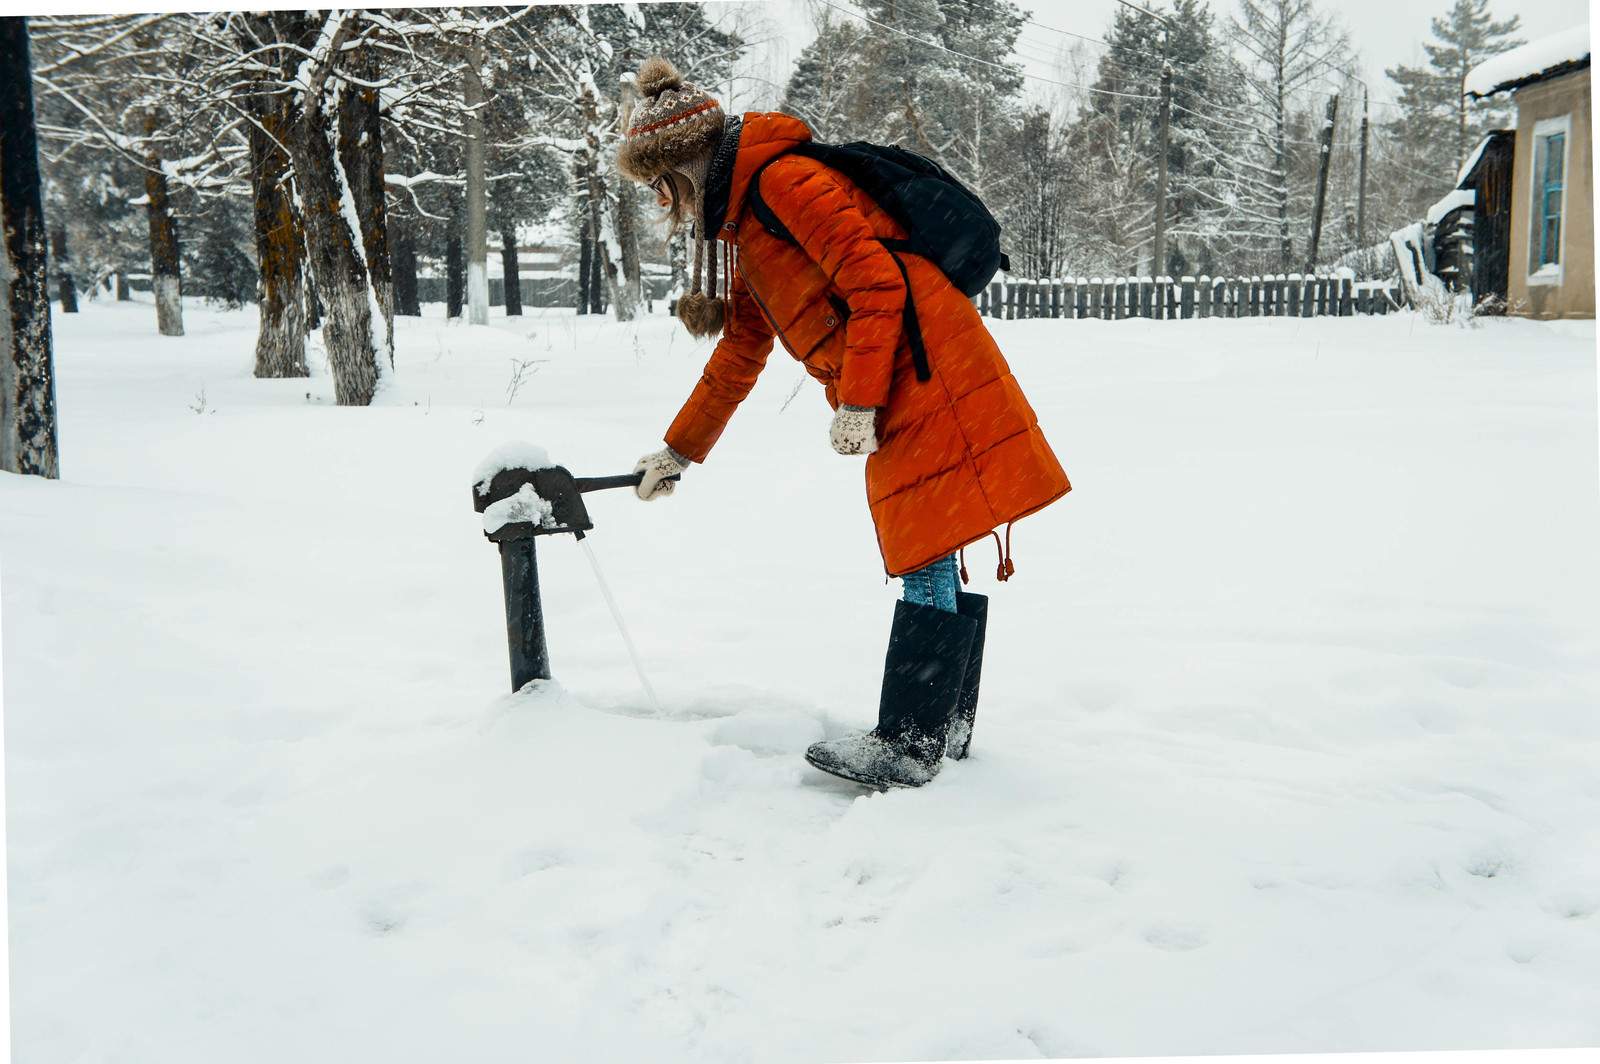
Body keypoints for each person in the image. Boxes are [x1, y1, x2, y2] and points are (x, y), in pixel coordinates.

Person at [618, 57, 1070, 789]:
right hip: (903, 372)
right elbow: (740, 350)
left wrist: (858, 401)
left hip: (924, 367)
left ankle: (910, 742)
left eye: (661, 190)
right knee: (927, 537)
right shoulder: (748, 230)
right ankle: (941, 731)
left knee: (921, 538)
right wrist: (678, 452)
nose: (663, 206)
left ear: (686, 171)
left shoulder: (784, 184)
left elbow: (876, 281)